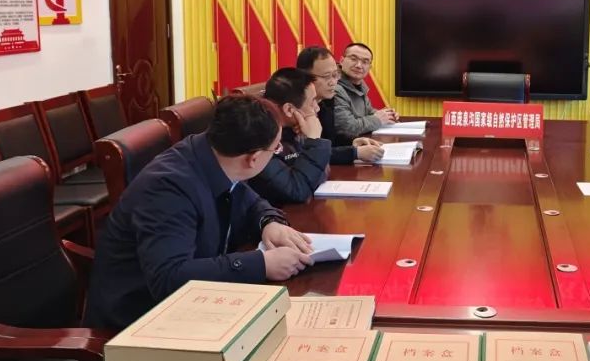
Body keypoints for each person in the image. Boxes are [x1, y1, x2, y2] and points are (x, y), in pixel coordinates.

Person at [85, 95, 314, 330]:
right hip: (137, 323)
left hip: (192, 307)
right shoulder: (168, 189)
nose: (276, 152)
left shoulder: (214, 154)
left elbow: (249, 200)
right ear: (253, 158)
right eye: (275, 148)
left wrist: (269, 222)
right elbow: (169, 278)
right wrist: (261, 264)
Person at [248, 67, 334, 204]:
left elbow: (321, 173)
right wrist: (314, 140)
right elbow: (297, 191)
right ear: (289, 109)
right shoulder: (259, 137)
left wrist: (308, 141)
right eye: (312, 102)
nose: (317, 108)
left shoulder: (290, 128)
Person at [297, 45, 384, 164]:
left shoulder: (325, 103)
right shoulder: (294, 111)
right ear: (304, 77)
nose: (333, 82)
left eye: (335, 75)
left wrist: (353, 142)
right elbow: (307, 155)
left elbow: (330, 140)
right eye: (326, 76)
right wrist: (354, 153)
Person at [333, 42, 398, 140]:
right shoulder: (334, 87)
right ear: (342, 61)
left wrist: (387, 115)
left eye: (365, 62)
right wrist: (377, 119)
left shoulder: (360, 86)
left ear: (369, 67)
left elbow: (368, 112)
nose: (359, 65)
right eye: (353, 59)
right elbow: (347, 128)